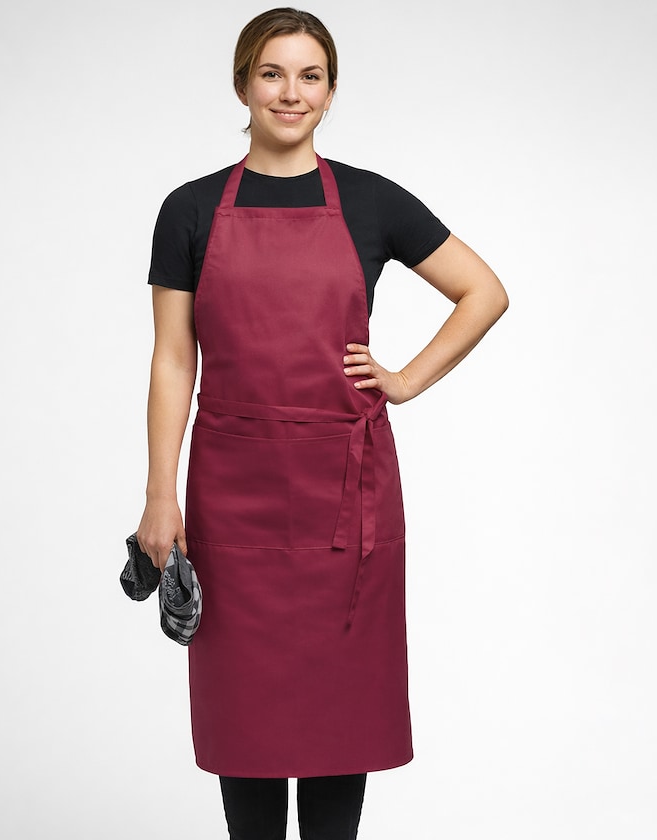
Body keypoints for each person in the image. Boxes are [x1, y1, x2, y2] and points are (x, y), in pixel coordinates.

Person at [136, 8, 508, 839]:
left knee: (342, 724)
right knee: (245, 725)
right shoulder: (189, 209)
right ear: (243, 84)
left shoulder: (371, 201)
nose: (290, 92)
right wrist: (161, 495)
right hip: (233, 498)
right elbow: (173, 359)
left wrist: (405, 380)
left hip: (348, 501)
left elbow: (483, 291)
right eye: (272, 73)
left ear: (331, 91)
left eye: (310, 76)